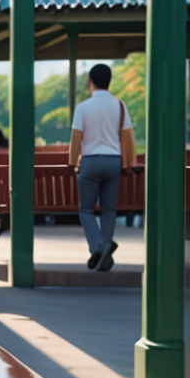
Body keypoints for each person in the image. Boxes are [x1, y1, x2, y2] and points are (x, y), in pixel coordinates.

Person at [69, 63, 137, 272]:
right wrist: (129, 163)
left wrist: (73, 162)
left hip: (90, 162)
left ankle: (99, 246)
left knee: (86, 210)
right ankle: (104, 249)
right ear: (109, 81)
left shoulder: (83, 107)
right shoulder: (120, 106)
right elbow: (128, 139)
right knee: (109, 209)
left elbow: (76, 139)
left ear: (90, 81)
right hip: (113, 162)